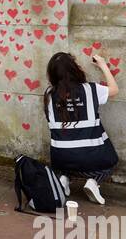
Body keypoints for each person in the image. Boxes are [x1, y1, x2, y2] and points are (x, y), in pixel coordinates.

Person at [43, 50, 119, 205]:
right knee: (111, 161)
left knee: (68, 152)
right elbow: (114, 90)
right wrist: (103, 65)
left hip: (60, 159)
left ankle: (63, 179)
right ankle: (93, 182)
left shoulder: (49, 94)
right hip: (91, 158)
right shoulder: (91, 89)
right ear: (75, 69)